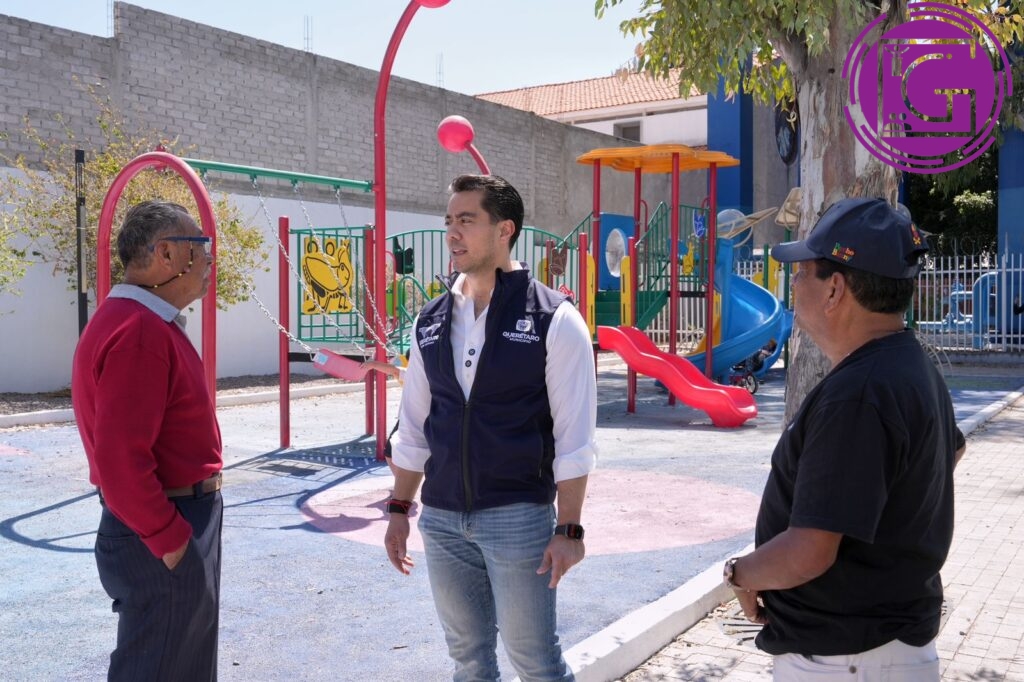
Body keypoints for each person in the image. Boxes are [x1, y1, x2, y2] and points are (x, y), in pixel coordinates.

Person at [721, 198, 967, 678]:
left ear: (834, 289)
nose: (794, 283)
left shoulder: (859, 393)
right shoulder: (910, 364)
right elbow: (952, 449)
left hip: (846, 661)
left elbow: (809, 551)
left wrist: (739, 574)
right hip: (877, 653)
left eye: (801, 272)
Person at [383, 174, 598, 681]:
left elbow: (575, 438)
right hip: (441, 519)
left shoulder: (554, 318)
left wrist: (569, 529)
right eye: (449, 222)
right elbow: (414, 426)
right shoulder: (429, 320)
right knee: (469, 661)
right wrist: (399, 508)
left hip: (517, 518)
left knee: (536, 662)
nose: (452, 234)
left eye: (466, 220)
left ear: (505, 230)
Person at [72, 200, 223, 681]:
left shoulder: (137, 321)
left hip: (166, 522)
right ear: (167, 254)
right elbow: (120, 461)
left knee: (177, 664)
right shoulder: (139, 331)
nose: (209, 259)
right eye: (201, 246)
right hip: (163, 525)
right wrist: (169, 539)